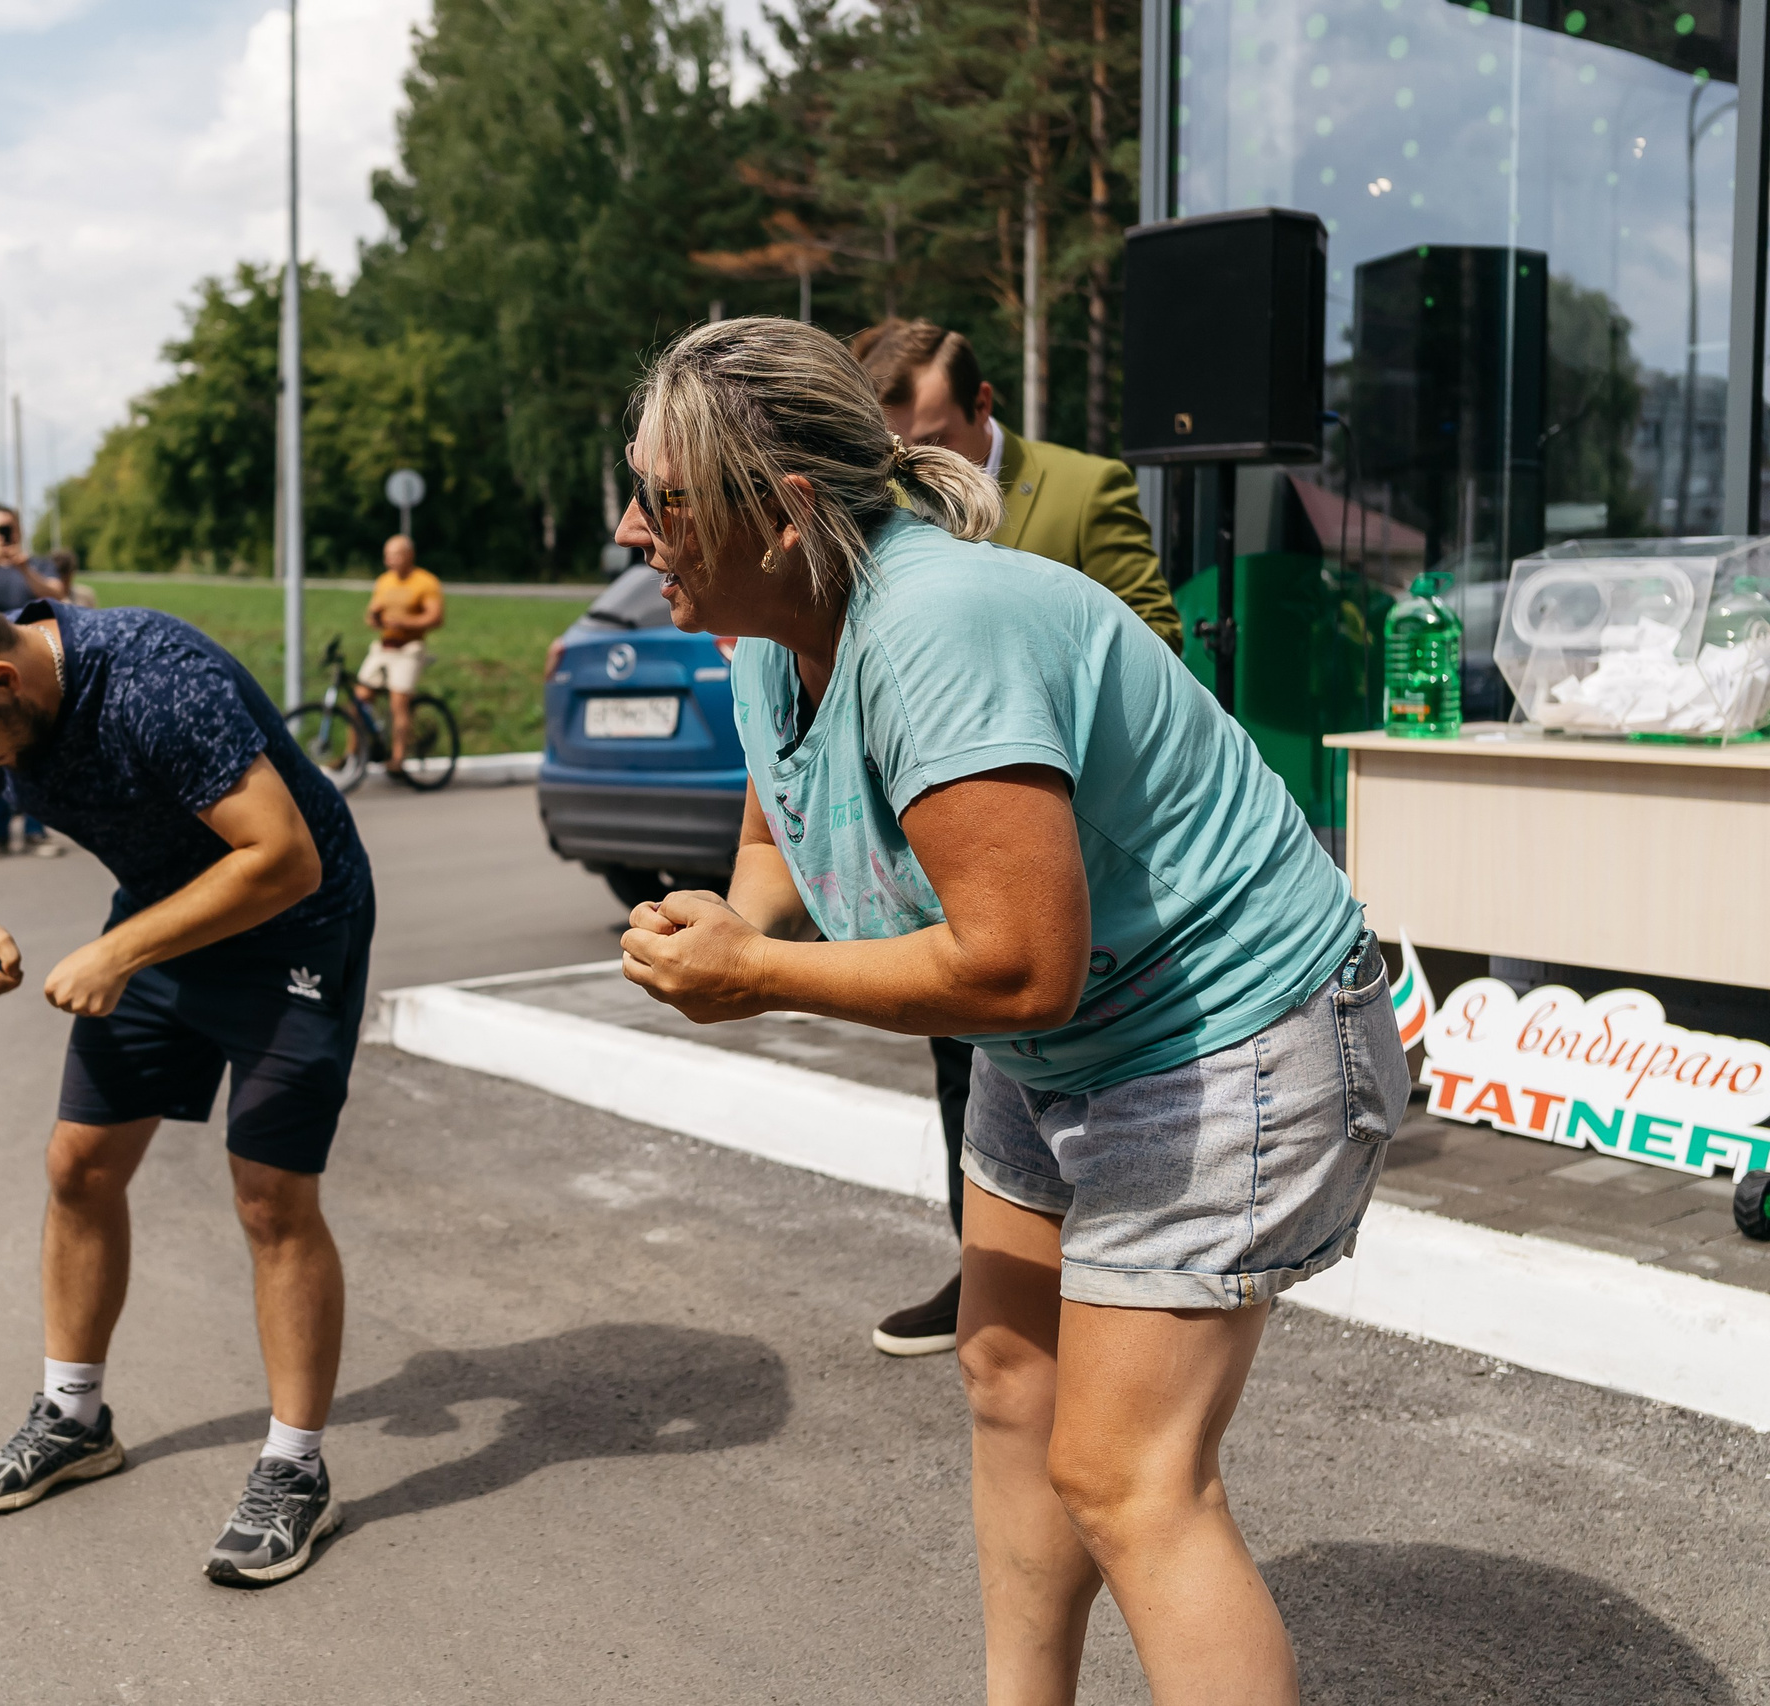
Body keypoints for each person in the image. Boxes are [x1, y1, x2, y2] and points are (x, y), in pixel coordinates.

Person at [612, 317, 1402, 1704]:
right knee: (1001, 1374)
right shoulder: (768, 630)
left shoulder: (937, 628)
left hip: (1226, 1024)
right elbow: (780, 818)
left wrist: (760, 975)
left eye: (663, 498)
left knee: (1129, 1477)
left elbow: (1017, 961)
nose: (632, 527)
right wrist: (739, 915)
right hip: (1065, 1046)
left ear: (786, 510)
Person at [0, 588, 374, 1587]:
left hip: (292, 921)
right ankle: (75, 1416)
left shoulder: (154, 683)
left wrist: (119, 948)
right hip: (167, 917)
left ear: (3, 680)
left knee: (270, 1194)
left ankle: (297, 1470)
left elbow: (283, 855)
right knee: (79, 1164)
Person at [850, 316, 1183, 1360]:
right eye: (892, 445)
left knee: (1096, 1069)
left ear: (984, 408)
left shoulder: (1084, 489)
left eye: (934, 432)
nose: (913, 463)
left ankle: (1102, 1279)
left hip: (1083, 845)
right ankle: (986, 1273)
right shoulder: (889, 507)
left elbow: (1158, 647)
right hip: (947, 857)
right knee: (965, 1070)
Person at [0, 507, 66, 854]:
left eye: (9, 529)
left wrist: (22, 566)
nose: (5, 536)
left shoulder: (36, 565)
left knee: (37, 745)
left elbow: (55, 593)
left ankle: (35, 830)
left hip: (33, 670)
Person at [355, 535, 443, 775]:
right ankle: (351, 753)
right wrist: (374, 617)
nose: (389, 560)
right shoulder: (384, 581)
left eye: (395, 555)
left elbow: (435, 617)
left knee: (398, 701)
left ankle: (398, 758)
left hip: (409, 648)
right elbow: (371, 614)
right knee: (359, 698)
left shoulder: (425, 582)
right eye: (387, 555)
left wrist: (405, 622)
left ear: (409, 556)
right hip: (384, 646)